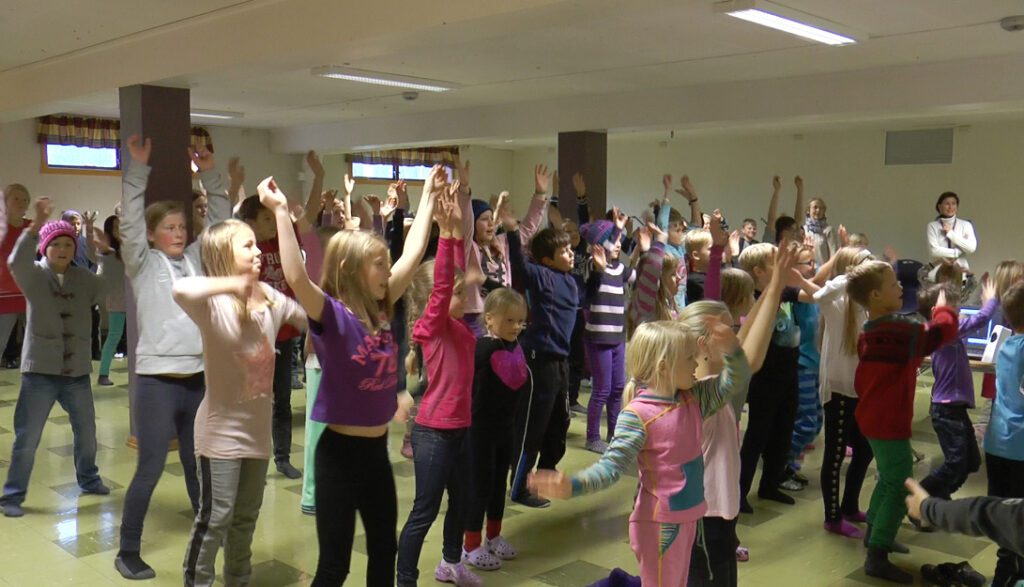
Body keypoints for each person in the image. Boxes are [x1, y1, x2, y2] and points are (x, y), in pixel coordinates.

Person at [261, 165, 439, 585]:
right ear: (351, 270)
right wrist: (282, 212)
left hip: (377, 454)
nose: (388, 268)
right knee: (334, 565)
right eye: (379, 264)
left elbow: (413, 255)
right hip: (338, 456)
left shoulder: (381, 307)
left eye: (386, 262)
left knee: (383, 553)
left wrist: (429, 194)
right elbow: (295, 276)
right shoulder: (332, 316)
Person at [529, 319, 751, 587]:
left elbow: (736, 380)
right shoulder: (639, 415)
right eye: (690, 357)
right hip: (660, 526)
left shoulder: (696, 398)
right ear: (664, 366)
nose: (697, 363)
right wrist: (573, 485)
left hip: (689, 519)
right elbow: (610, 468)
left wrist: (731, 347)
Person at [116, 135, 233, 581]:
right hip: (157, 383)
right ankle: (128, 550)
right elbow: (128, 221)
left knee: (196, 465)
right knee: (148, 469)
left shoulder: (198, 259)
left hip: (197, 380)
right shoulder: (143, 265)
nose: (179, 234)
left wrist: (209, 174)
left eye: (183, 228)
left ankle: (205, 543)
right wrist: (138, 169)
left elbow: (220, 224)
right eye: (170, 228)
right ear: (151, 234)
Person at [173, 219, 306, 586]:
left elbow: (309, 317)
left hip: (257, 434)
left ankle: (238, 581)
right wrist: (234, 284)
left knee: (246, 518)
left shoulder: (270, 297)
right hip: (220, 435)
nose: (258, 251)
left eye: (255, 245)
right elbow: (180, 289)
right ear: (222, 255)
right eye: (247, 245)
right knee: (215, 518)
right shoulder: (212, 303)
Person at [683, 236, 792, 587]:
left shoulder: (707, 377)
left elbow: (745, 340)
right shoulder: (704, 392)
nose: (737, 335)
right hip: (703, 514)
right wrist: (774, 289)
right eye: (729, 330)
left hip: (717, 511)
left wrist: (771, 288)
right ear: (705, 344)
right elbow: (751, 356)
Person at [846, 259, 958, 583]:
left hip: (874, 416)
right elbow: (943, 331)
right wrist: (945, 298)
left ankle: (874, 534)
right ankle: (877, 554)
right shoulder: (897, 330)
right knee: (900, 482)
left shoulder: (873, 329)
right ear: (877, 294)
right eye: (894, 283)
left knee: (888, 478)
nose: (901, 287)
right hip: (887, 419)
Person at [0, 201, 112, 518]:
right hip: (40, 373)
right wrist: (35, 226)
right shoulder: (33, 276)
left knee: (87, 433)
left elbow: (109, 283)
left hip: (76, 372)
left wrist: (106, 254)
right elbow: (16, 260)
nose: (62, 250)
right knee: (27, 436)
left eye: (68, 244)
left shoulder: (83, 279)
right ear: (45, 248)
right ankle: (12, 496)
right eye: (56, 244)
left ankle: (89, 479)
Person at [396, 186, 481, 587]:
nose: (463, 298)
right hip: (433, 432)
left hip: (462, 429)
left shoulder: (461, 328)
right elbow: (445, 281)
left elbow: (455, 275)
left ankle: (450, 563)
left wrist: (455, 230)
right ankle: (404, 578)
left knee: (462, 502)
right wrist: (444, 237)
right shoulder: (432, 329)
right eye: (456, 294)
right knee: (424, 511)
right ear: (434, 299)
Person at [235, 149, 324, 479]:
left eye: (274, 220)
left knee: (282, 401)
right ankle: (248, 454)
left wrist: (319, 177)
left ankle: (283, 456)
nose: (273, 226)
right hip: (254, 338)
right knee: (253, 399)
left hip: (285, 336)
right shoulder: (241, 251)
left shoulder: (280, 243)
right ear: (249, 224)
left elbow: (310, 215)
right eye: (266, 220)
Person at [505, 166, 578, 509]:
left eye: (570, 250)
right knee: (532, 429)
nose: (571, 254)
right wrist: (509, 231)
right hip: (538, 361)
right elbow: (518, 264)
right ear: (547, 259)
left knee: (559, 424)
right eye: (564, 252)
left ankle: (543, 477)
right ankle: (519, 488)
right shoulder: (540, 275)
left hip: (561, 363)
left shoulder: (571, 280)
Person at [736, 242, 818, 513]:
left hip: (789, 371)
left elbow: (816, 296)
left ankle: (770, 484)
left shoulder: (786, 292)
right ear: (759, 271)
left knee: (783, 432)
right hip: (764, 377)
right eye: (775, 262)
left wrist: (801, 279)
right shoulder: (752, 298)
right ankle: (739, 492)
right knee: (757, 436)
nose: (782, 267)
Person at [462, 288, 528, 571]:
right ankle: (470, 545)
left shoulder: (515, 346)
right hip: (480, 431)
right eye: (510, 321)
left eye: (520, 321)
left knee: (498, 483)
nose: (516, 327)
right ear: (489, 319)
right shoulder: (483, 349)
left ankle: (494, 535)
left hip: (505, 429)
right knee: (479, 485)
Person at [810, 247, 875, 538]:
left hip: (860, 389)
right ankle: (832, 516)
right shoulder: (836, 302)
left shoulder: (864, 305)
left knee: (865, 449)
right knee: (835, 456)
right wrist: (848, 276)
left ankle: (850, 506)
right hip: (837, 388)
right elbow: (817, 296)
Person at [916, 277, 996, 503]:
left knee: (970, 462)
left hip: (955, 410)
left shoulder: (948, 335)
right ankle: (920, 496)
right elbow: (981, 319)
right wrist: (990, 301)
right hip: (946, 410)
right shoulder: (942, 332)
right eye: (954, 309)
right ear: (937, 312)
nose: (959, 314)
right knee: (956, 463)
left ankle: (938, 496)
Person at [981, 280, 1024, 586]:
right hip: (1021, 448)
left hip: (998, 445)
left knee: (1004, 515)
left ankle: (1004, 573)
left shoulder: (1007, 345)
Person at [579, 213, 633, 453]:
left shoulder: (620, 268)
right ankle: (592, 437)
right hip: (598, 338)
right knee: (602, 389)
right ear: (598, 247)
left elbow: (638, 274)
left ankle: (613, 433)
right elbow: (590, 290)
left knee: (618, 387)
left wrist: (641, 247)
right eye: (613, 240)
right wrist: (616, 231)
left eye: (619, 240)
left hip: (618, 337)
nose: (618, 244)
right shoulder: (592, 267)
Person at [656, 174, 701, 308]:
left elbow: (696, 226)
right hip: (667, 303)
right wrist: (667, 192)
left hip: (681, 303)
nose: (682, 234)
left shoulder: (681, 248)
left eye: (682, 230)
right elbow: (662, 223)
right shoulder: (664, 248)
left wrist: (693, 198)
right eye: (677, 230)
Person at [0, 184, 31, 370]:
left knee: (37, 340)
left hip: (29, 291)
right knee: (1, 340)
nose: (21, 203)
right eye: (16, 199)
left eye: (24, 199)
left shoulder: (32, 227)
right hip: (5, 293)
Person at [95, 214, 126, 387]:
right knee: (114, 335)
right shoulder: (108, 251)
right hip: (117, 298)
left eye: (120, 226)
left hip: (134, 298)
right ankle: (103, 374)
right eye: (115, 227)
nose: (119, 230)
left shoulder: (129, 247)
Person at [927, 191, 977, 280]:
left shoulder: (966, 225)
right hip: (939, 270)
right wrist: (957, 252)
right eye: (947, 204)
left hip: (962, 270)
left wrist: (951, 234)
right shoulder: (932, 226)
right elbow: (934, 251)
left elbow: (971, 248)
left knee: (961, 291)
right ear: (939, 206)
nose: (950, 207)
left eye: (954, 204)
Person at [803, 195, 840, 266]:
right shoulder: (803, 230)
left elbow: (834, 254)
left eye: (821, 208)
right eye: (815, 207)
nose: (818, 210)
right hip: (806, 272)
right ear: (808, 210)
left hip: (823, 272)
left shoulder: (828, 230)